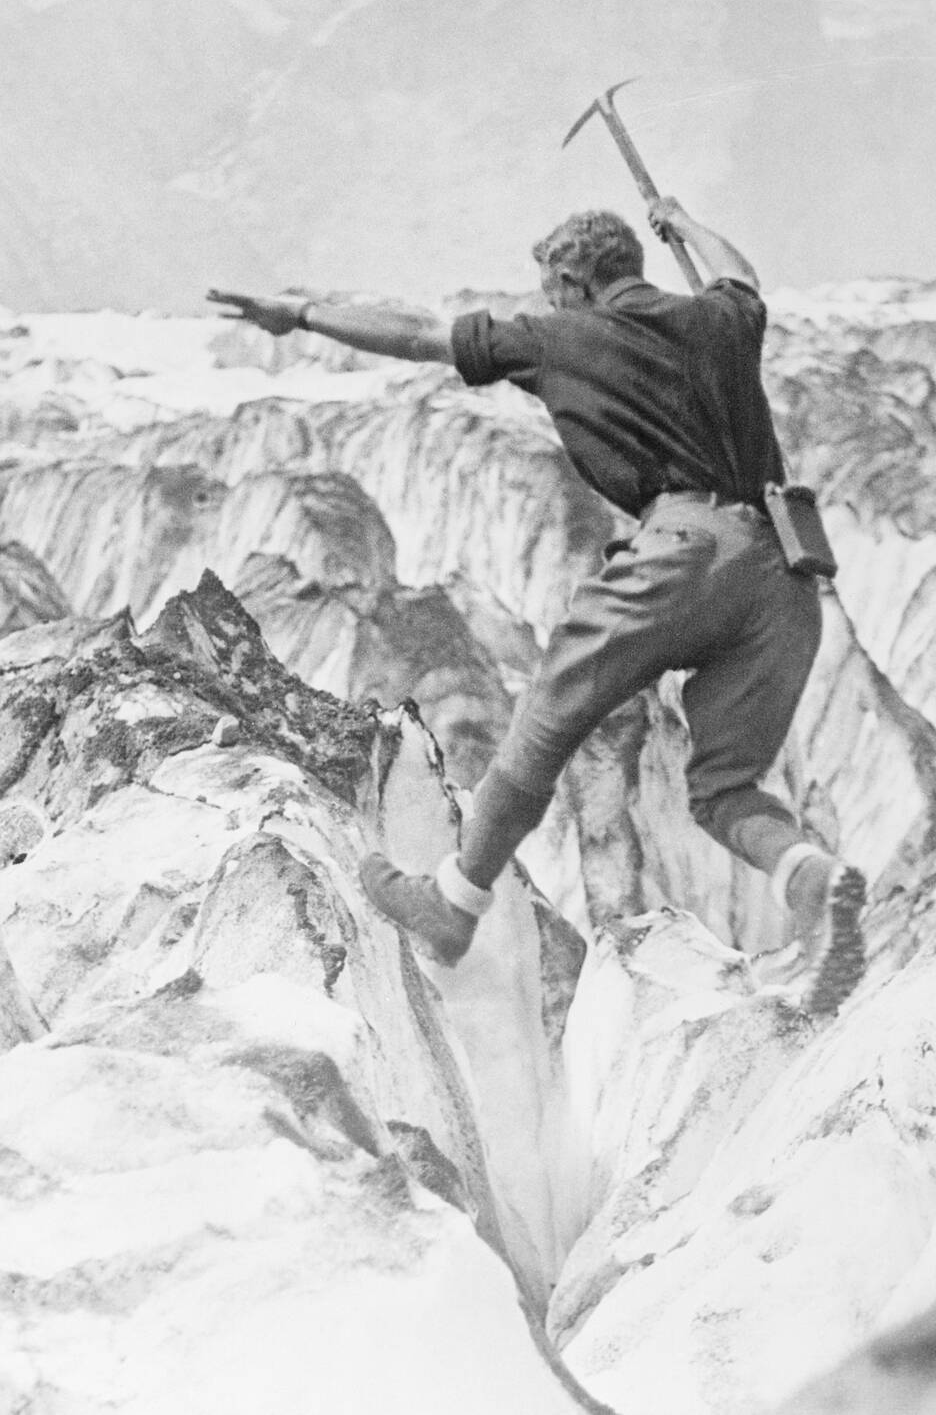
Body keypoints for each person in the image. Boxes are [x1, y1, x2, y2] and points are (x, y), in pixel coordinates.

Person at [208, 198, 865, 1013]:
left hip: (684, 551)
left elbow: (418, 336)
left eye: (552, 289)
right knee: (726, 790)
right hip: (788, 573)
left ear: (571, 280)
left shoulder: (560, 337)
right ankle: (812, 879)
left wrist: (301, 314)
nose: (550, 301)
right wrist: (685, 222)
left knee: (548, 718)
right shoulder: (723, 319)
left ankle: (453, 904)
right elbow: (743, 275)